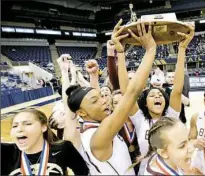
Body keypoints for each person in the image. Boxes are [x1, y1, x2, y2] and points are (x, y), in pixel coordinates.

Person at [63, 19, 157, 175]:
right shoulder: (99, 135)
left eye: (101, 96)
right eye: (96, 100)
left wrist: (94, 77)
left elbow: (89, 102)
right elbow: (132, 93)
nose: (104, 100)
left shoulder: (86, 129)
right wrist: (150, 50)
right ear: (81, 113)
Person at [118, 23, 195, 174]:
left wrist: (182, 49)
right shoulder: (140, 119)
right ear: (145, 104)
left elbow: (177, 90)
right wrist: (120, 54)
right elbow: (127, 92)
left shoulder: (171, 117)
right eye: (152, 95)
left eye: (160, 94)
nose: (157, 96)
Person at [1, 109, 89, 175]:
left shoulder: (63, 148)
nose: (19, 129)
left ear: (43, 127)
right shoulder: (6, 153)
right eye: (15, 126)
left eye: (28, 124)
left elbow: (83, 172)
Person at [111, 89, 141, 174]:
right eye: (116, 103)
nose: (120, 105)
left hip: (142, 165)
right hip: (123, 168)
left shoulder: (140, 120)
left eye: (122, 101)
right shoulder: (110, 126)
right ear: (112, 107)